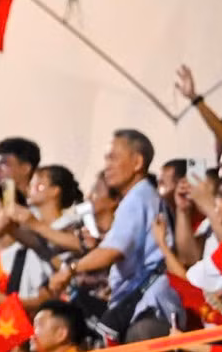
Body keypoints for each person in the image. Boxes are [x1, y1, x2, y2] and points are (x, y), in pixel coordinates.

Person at [71, 128, 177, 334]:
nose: (107, 166)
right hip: (149, 302)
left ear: (137, 162)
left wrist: (71, 269)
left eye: (113, 158)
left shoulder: (137, 198)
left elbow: (114, 251)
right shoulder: (143, 195)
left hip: (147, 306)